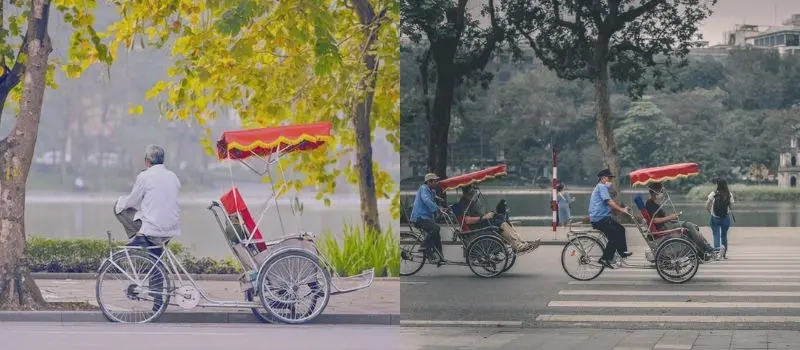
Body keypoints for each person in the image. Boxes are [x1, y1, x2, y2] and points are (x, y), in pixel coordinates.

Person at [114, 144, 182, 311]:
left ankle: (139, 237)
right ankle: (158, 302)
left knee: (120, 207)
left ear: (147, 161)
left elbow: (132, 201)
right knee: (155, 260)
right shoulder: (173, 176)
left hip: (153, 228)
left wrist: (119, 204)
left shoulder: (145, 177)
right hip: (170, 228)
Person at [645, 182, 717, 260]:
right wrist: (670, 217)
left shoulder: (654, 203)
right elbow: (655, 220)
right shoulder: (650, 203)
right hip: (664, 229)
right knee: (689, 226)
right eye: (660, 191)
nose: (661, 193)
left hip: (668, 224)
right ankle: (707, 249)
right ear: (655, 191)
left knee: (694, 227)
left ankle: (703, 251)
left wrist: (672, 217)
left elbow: (661, 217)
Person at [457, 186, 540, 254]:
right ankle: (517, 246)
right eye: (472, 189)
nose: (473, 191)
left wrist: (490, 214)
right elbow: (467, 220)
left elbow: (482, 212)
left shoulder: (473, 200)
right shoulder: (464, 202)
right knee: (501, 222)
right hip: (478, 226)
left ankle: (521, 243)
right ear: (467, 190)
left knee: (502, 218)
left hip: (484, 221)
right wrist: (483, 217)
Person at [589, 169, 631, 269]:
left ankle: (622, 252)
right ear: (602, 178)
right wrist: (622, 209)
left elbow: (609, 205)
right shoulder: (601, 186)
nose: (610, 181)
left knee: (621, 229)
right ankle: (605, 258)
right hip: (599, 219)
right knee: (614, 236)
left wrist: (621, 210)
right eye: (609, 178)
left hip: (604, 217)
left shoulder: (601, 187)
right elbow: (609, 202)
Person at [410, 173, 445, 263]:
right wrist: (437, 208)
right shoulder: (423, 188)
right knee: (436, 228)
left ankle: (440, 256)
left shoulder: (430, 190)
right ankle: (423, 245)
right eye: (435, 181)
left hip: (425, 218)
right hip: (419, 217)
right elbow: (426, 199)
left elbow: (432, 197)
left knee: (436, 234)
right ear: (429, 182)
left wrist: (439, 200)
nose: (436, 183)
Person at [705, 179, 733, 259]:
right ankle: (724, 255)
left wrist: (711, 213)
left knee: (716, 234)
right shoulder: (729, 194)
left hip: (714, 218)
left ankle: (717, 253)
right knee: (724, 236)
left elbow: (706, 206)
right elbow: (731, 207)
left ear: (717, 185)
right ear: (726, 185)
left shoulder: (713, 193)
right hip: (725, 218)